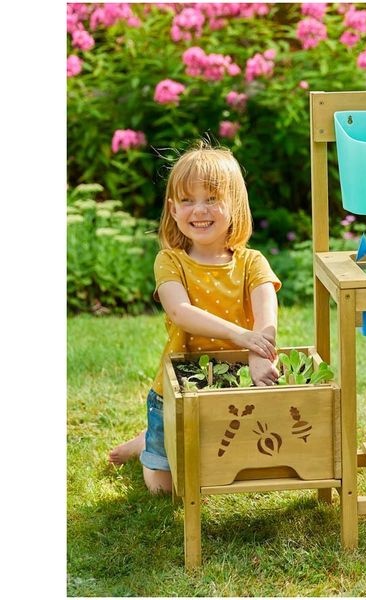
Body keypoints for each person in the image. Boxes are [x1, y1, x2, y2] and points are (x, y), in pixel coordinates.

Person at [108, 140, 282, 494]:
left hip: (235, 386)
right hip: (178, 391)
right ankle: (146, 442)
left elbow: (267, 318)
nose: (199, 210)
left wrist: (258, 354)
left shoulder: (252, 262)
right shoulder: (170, 261)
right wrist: (241, 336)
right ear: (173, 210)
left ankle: (152, 442)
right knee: (164, 489)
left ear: (235, 205)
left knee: (226, 465)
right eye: (187, 200)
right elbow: (180, 312)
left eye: (211, 198)